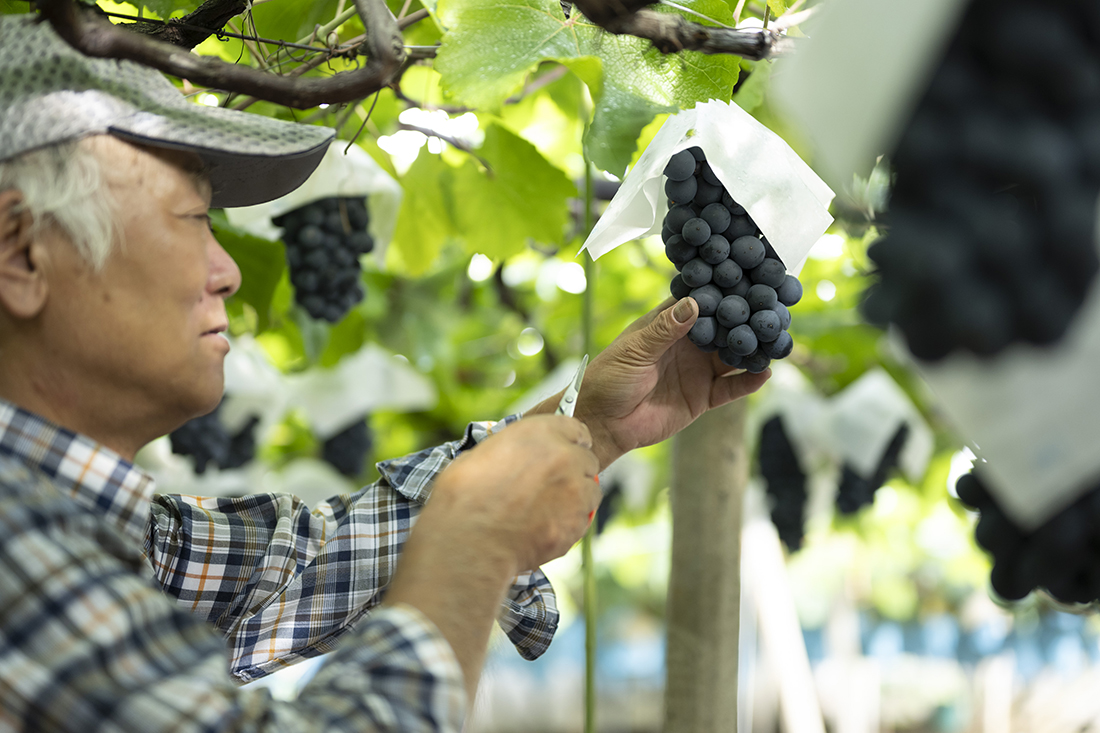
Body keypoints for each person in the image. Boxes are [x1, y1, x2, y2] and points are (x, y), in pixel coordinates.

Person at [0, 13, 770, 732]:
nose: (229, 271)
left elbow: (296, 570)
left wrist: (588, 429)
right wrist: (472, 538)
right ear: (22, 251)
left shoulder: (103, 531)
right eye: (193, 218)